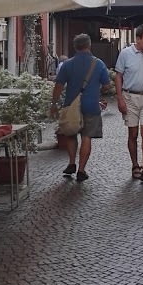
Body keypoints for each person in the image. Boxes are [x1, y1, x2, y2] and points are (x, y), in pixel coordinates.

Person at [50, 34, 111, 182]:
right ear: (89, 45)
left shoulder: (68, 64)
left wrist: (53, 104)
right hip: (91, 105)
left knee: (71, 135)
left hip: (71, 105)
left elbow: (58, 86)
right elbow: (107, 86)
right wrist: (99, 92)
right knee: (86, 137)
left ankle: (71, 163)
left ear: (75, 47)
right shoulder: (99, 63)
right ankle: (81, 170)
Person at [114, 24, 143, 184]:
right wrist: (119, 98)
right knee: (133, 134)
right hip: (130, 97)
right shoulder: (125, 54)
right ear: (137, 39)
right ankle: (135, 165)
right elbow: (118, 76)